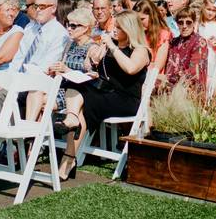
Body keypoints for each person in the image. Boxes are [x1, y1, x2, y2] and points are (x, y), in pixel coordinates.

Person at [56, 10, 151, 181]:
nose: (114, 30)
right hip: (105, 93)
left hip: (126, 100)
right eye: (115, 27)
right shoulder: (109, 46)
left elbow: (130, 68)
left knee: (83, 102)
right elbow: (96, 70)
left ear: (130, 30)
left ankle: (69, 158)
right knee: (76, 95)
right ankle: (71, 129)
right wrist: (93, 63)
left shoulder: (140, 50)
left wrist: (112, 47)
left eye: (119, 28)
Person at [37, 8, 105, 124]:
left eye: (73, 26)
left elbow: (90, 76)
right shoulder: (70, 44)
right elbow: (62, 67)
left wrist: (66, 70)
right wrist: (55, 70)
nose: (68, 28)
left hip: (76, 92)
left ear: (85, 28)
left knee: (40, 101)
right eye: (68, 24)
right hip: (62, 86)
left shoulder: (92, 48)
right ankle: (34, 137)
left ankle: (36, 136)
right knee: (33, 95)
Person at [163, 7, 208, 91]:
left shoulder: (199, 42)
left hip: (191, 90)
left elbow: (194, 73)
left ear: (194, 23)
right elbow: (169, 67)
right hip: (171, 86)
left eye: (188, 22)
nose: (184, 26)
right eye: (180, 22)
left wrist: (170, 79)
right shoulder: (174, 41)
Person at [137, 0, 171, 74]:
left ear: (152, 16)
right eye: (136, 20)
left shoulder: (163, 34)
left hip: (152, 79)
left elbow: (158, 67)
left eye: (142, 19)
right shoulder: (137, 33)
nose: (139, 23)